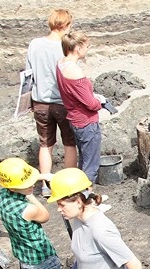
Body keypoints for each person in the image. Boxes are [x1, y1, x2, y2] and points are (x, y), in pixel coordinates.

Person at [26, 9, 78, 197]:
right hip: (63, 103)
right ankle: (69, 184)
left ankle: (47, 185)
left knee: (45, 144)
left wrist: (29, 101)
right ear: (65, 25)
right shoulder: (66, 46)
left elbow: (28, 76)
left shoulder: (34, 44)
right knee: (69, 143)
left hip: (40, 102)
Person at [57, 30, 108, 185]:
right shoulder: (75, 72)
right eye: (86, 46)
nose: (87, 49)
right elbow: (91, 104)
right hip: (86, 122)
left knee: (84, 160)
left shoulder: (61, 63)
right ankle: (86, 200)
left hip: (75, 120)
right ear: (78, 48)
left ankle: (80, 195)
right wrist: (101, 101)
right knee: (91, 165)